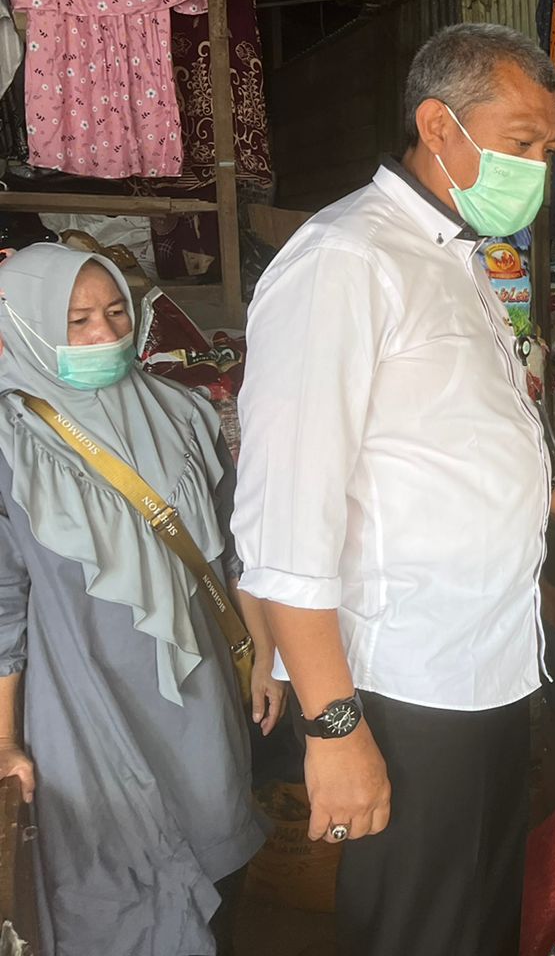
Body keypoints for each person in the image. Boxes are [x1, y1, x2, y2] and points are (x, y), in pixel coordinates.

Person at [233, 23, 555, 955]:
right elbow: (285, 523)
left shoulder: (453, 251)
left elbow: (430, 438)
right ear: (439, 124)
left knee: (474, 912)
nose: (539, 167)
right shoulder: (346, 260)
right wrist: (334, 729)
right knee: (422, 924)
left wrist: (551, 501)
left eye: (548, 149)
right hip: (402, 685)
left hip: (483, 665)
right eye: (520, 142)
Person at [0, 244, 281, 955]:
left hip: (200, 694)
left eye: (117, 312)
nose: (105, 335)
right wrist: (5, 740)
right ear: (24, 324)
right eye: (78, 320)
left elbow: (233, 551)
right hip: (82, 707)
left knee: (214, 847)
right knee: (108, 887)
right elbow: (3, 607)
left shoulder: (183, 415)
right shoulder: (10, 445)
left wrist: (265, 656)